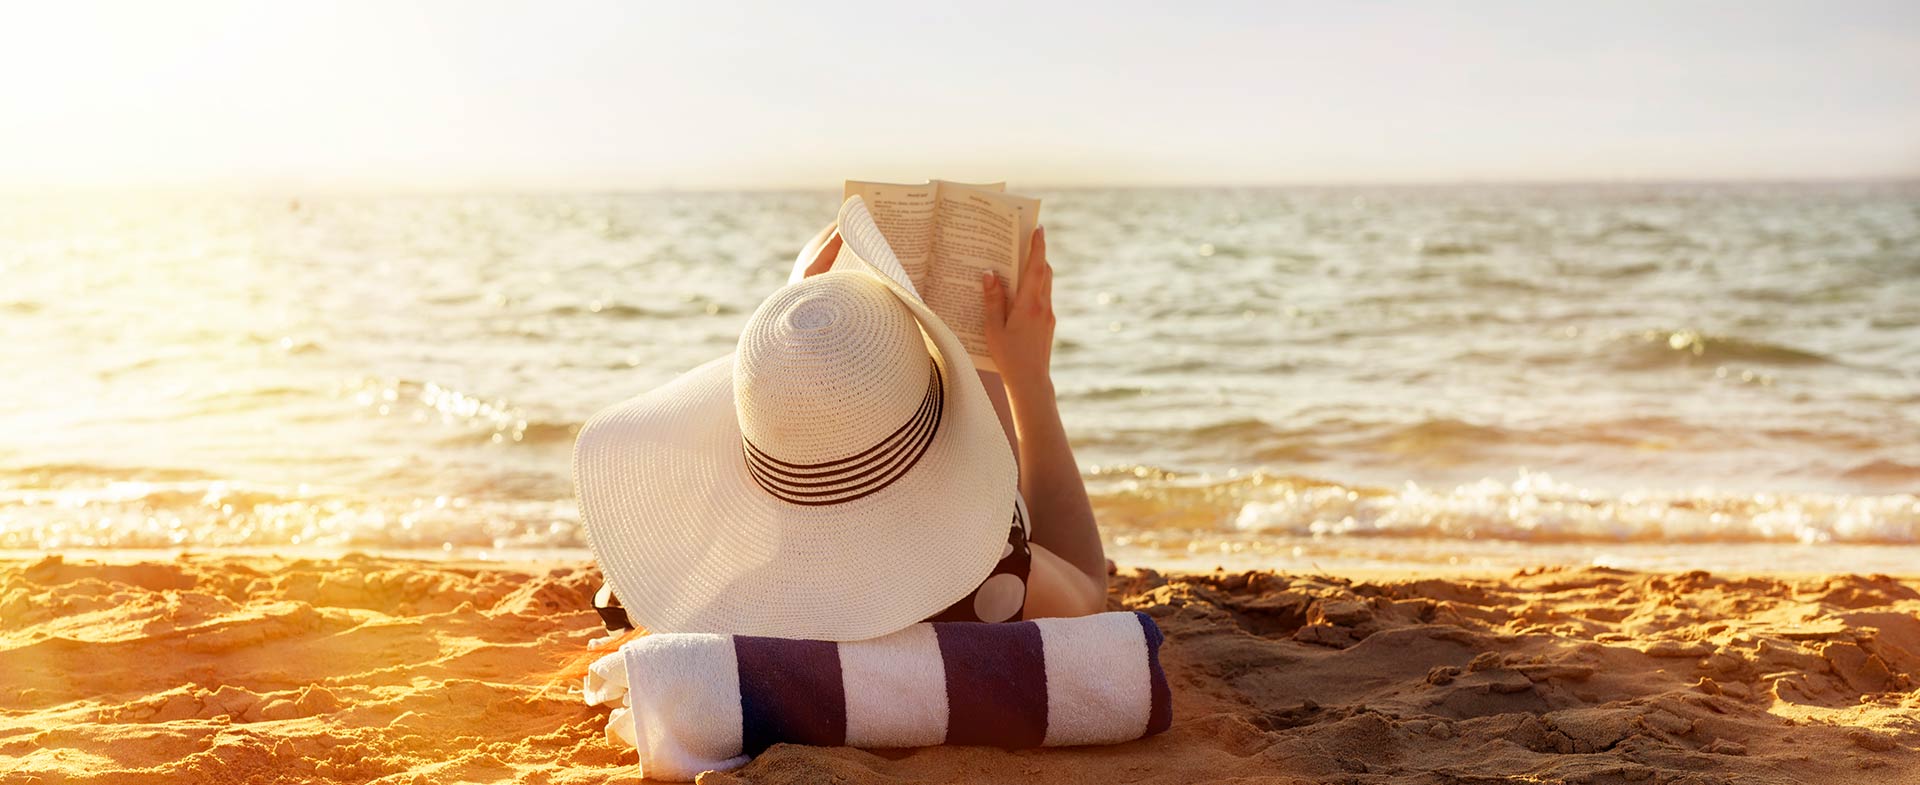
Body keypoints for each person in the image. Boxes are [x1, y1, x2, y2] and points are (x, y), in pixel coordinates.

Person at [570, 202, 1104, 652]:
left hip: (781, 532)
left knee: (818, 362)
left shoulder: (727, 593)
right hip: (948, 537)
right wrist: (1030, 380)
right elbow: (1088, 590)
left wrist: (797, 320)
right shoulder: (990, 573)